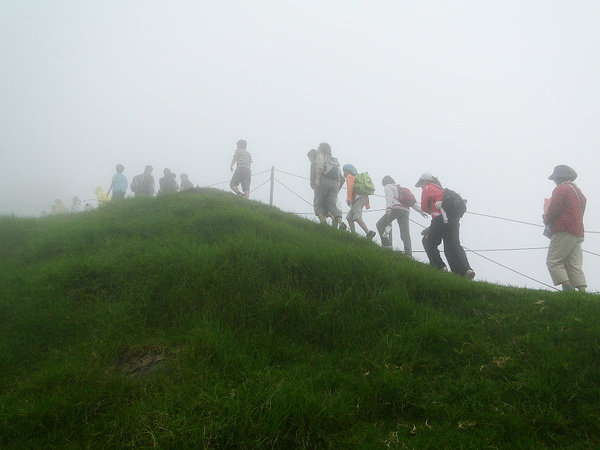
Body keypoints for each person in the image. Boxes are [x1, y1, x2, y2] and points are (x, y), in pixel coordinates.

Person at [416, 172, 475, 279]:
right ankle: (465, 271)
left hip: (439, 219)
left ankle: (439, 267)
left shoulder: (427, 188)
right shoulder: (443, 190)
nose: (421, 186)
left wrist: (430, 210)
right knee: (452, 245)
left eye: (421, 183)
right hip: (453, 220)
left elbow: (424, 207)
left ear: (425, 181)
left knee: (429, 241)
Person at [543, 165, 587, 292]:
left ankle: (567, 288)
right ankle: (582, 292)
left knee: (553, 261)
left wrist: (546, 219)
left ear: (558, 178)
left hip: (563, 229)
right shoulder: (580, 194)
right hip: (578, 232)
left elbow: (554, 209)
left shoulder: (561, 189)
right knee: (574, 264)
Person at [376, 175, 427, 255]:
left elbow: (389, 197)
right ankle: (408, 254)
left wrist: (388, 208)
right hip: (406, 210)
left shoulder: (388, 186)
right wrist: (420, 211)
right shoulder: (400, 188)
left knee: (380, 224)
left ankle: (387, 245)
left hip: (396, 208)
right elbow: (411, 202)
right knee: (405, 233)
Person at [313, 143, 346, 229]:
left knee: (318, 203)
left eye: (318, 147)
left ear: (322, 149)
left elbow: (319, 167)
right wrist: (337, 186)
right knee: (332, 205)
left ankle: (324, 224)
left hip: (324, 180)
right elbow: (339, 174)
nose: (317, 149)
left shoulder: (321, 156)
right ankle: (341, 223)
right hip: (335, 184)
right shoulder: (334, 160)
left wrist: (317, 178)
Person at [343, 164, 375, 239]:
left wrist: (349, 198)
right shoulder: (356, 177)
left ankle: (368, 232)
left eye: (344, 171)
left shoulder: (350, 176)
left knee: (357, 216)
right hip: (362, 198)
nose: (343, 173)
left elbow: (350, 188)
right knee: (349, 218)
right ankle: (353, 235)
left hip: (358, 198)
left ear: (348, 170)